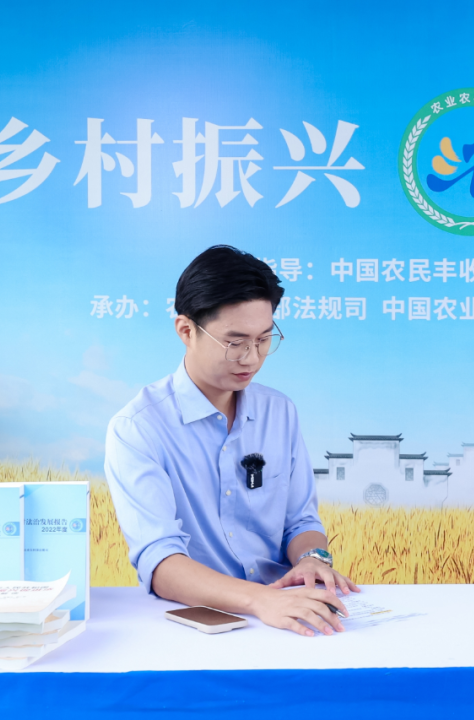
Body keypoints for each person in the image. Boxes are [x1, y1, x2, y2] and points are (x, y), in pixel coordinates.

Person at [105, 245, 357, 637]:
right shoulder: (138, 428)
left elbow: (300, 521)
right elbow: (160, 561)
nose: (252, 358)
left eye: (264, 339)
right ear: (186, 331)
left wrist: (312, 558)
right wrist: (260, 601)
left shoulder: (279, 412)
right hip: (196, 627)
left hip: (288, 614)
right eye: (235, 342)